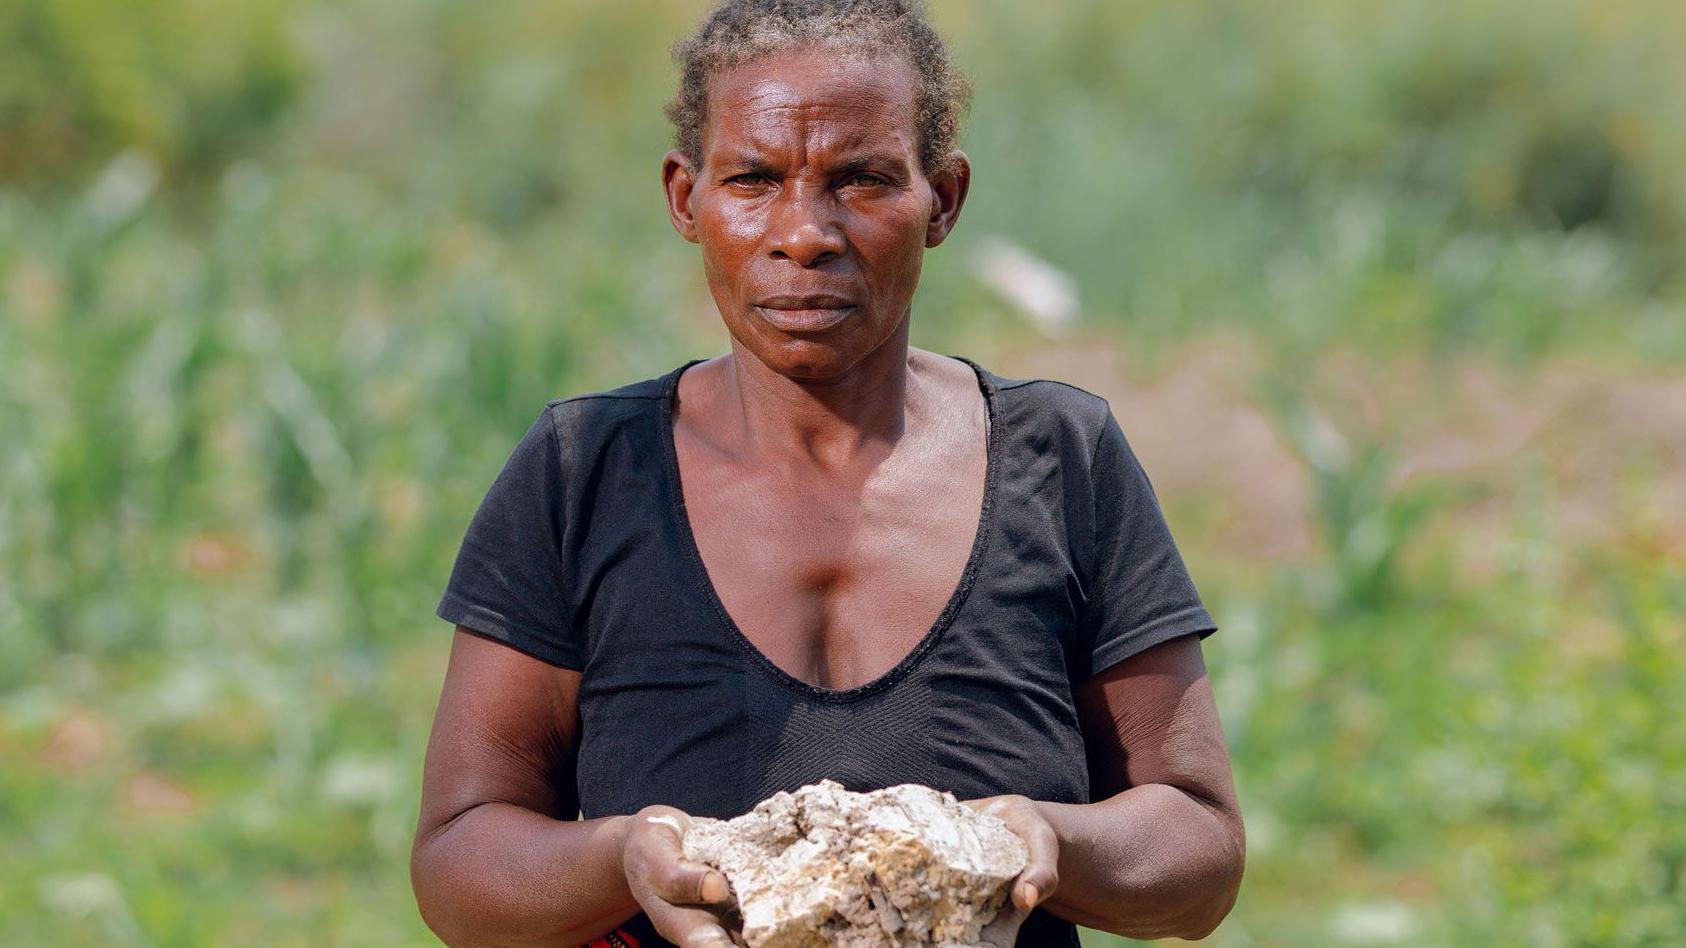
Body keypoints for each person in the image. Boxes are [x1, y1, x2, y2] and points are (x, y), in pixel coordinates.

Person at [410, 2, 1245, 946]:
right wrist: (621, 859)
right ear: (687, 199)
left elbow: (1199, 848)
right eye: (754, 179)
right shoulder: (583, 473)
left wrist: (1045, 840)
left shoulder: (1062, 457)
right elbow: (458, 863)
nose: (804, 232)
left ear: (945, 201)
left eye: (862, 180)